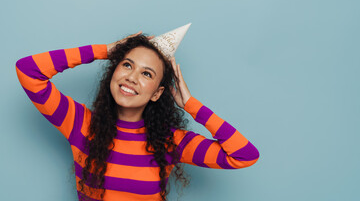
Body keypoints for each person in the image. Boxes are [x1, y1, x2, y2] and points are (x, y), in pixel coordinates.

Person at [15, 31, 260, 201]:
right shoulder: (79, 124)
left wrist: (191, 105)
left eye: (147, 74)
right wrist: (106, 50)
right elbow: (28, 70)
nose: (132, 77)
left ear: (157, 93)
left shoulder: (171, 141)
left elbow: (244, 155)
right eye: (127, 65)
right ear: (114, 70)